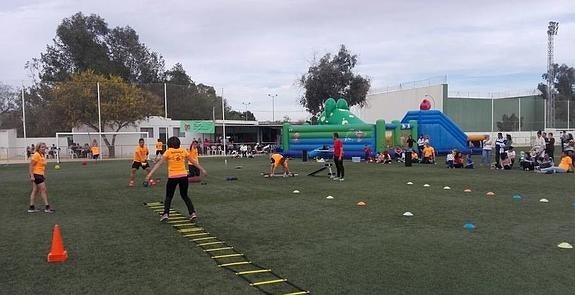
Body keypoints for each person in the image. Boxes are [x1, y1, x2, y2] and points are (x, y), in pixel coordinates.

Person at [146, 136, 207, 222]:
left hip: (173, 177)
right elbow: (193, 161)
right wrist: (202, 169)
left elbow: (159, 164)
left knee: (169, 196)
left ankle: (166, 214)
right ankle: (192, 213)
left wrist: (150, 175)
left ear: (169, 144)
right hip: (183, 176)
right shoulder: (183, 150)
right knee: (185, 195)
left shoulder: (168, 151)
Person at [28, 142, 55, 213]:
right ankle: (47, 207)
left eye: (44, 147)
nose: (43, 148)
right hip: (36, 175)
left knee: (35, 190)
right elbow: (31, 166)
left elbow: (41, 166)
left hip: (40, 174)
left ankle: (31, 207)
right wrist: (32, 176)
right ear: (38, 148)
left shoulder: (42, 155)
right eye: (42, 147)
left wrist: (43, 175)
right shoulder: (36, 155)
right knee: (43, 190)